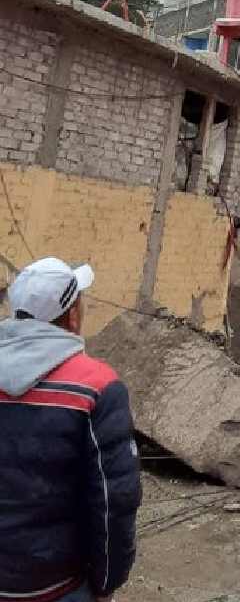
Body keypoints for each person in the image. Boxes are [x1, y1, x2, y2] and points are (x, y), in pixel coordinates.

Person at [0, 258, 142, 602]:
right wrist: (107, 582)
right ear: (73, 316)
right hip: (57, 586)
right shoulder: (97, 387)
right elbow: (113, 502)